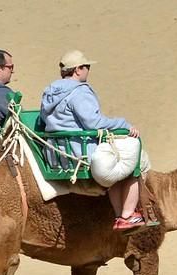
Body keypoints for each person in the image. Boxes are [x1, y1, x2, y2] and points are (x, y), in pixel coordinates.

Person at [40, 50, 145, 231]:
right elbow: (93, 123)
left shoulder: (50, 93)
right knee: (133, 160)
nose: (88, 70)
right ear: (77, 70)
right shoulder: (79, 92)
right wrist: (124, 125)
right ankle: (127, 214)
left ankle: (121, 216)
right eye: (86, 66)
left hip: (57, 154)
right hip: (80, 152)